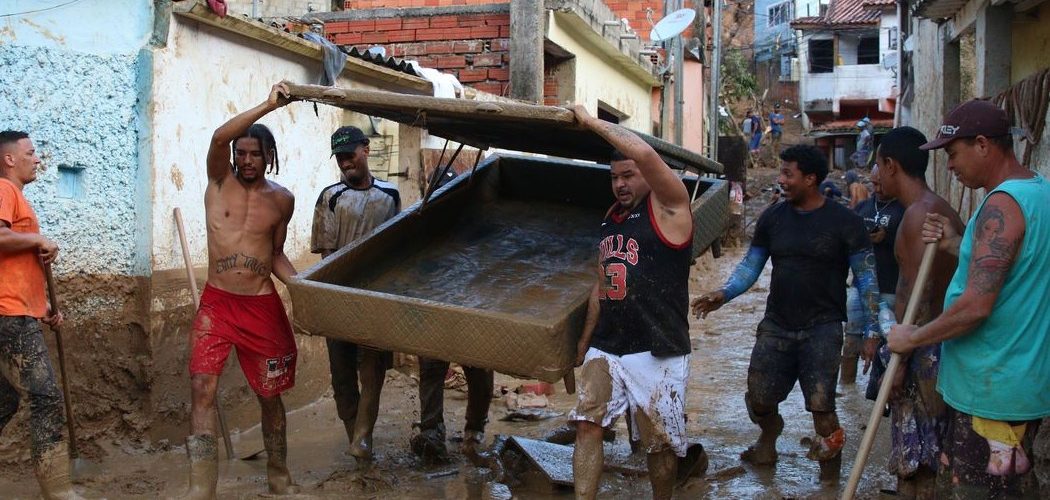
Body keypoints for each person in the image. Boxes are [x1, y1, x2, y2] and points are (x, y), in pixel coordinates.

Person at [888, 99, 1050, 497]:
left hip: (993, 393)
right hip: (1018, 383)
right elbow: (1017, 268)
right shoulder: (1039, 191)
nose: (950, 166)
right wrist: (958, 243)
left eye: (953, 154)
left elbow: (977, 306)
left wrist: (913, 337)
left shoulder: (1002, 204)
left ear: (982, 144)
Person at [693, 145, 882, 483]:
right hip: (777, 325)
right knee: (759, 398)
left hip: (823, 329)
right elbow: (752, 265)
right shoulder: (773, 218)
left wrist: (871, 332)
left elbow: (867, 280)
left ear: (810, 179)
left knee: (823, 409)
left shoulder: (846, 223)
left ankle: (829, 481)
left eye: (787, 174)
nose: (781, 181)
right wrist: (724, 293)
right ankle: (769, 436)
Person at [570, 104, 703, 499]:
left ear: (649, 173)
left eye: (629, 175)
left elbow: (645, 153)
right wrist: (583, 342)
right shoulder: (610, 218)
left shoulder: (670, 207)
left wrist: (590, 121)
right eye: (614, 177)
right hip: (609, 343)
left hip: (658, 344)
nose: (620, 184)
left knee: (658, 442)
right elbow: (602, 283)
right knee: (586, 423)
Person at [184, 82, 300, 497]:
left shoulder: (282, 200)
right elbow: (218, 135)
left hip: (261, 307)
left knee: (269, 395)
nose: (246, 160)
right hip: (217, 305)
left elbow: (277, 255)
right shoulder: (218, 183)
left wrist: (303, 287)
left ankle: (278, 473)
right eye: (241, 153)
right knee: (201, 387)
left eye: (255, 154)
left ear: (268, 157)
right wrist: (270, 105)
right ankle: (202, 486)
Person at [871, 126, 964, 497]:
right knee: (935, 455)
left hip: (922, 350)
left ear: (891, 165)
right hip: (943, 348)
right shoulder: (942, 210)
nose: (875, 175)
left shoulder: (917, 217)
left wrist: (900, 362)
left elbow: (914, 298)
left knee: (917, 461)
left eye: (878, 165)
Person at [310, 126, 401, 464]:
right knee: (342, 377)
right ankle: (357, 440)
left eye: (350, 154)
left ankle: (363, 439)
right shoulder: (330, 197)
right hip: (338, 296)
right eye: (339, 157)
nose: (345, 162)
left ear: (366, 149)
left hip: (377, 298)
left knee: (373, 370)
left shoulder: (390, 195)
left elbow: (396, 248)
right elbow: (327, 256)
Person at [0, 131, 77, 499]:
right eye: (30, 153)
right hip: (8, 314)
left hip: (17, 310)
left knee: (5, 401)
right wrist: (38, 240)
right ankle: (57, 490)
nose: (37, 159)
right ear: (9, 159)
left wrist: (43, 309)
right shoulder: (4, 189)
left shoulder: (18, 199)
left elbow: (13, 265)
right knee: (45, 397)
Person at [840, 163, 903, 385]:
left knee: (888, 343)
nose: (877, 188)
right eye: (874, 184)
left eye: (881, 183)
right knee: (851, 340)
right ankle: (846, 390)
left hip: (890, 288)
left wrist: (888, 238)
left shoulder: (904, 209)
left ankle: (884, 390)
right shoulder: (863, 208)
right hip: (859, 287)